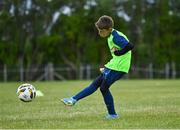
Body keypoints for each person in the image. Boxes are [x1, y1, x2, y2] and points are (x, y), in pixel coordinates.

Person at [61, 15, 134, 119]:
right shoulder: (111, 35)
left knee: (103, 88)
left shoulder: (115, 36)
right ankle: (73, 99)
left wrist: (119, 53)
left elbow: (130, 46)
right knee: (96, 84)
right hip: (114, 65)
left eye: (101, 31)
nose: (99, 33)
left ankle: (112, 114)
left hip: (118, 67)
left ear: (108, 29)